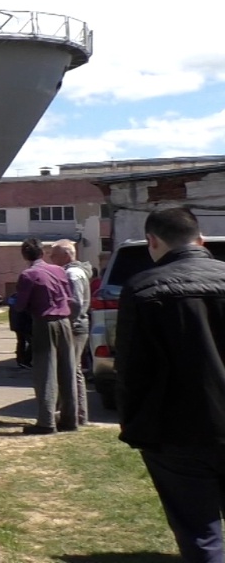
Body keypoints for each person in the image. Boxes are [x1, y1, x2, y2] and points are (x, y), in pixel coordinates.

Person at [116, 205, 225, 561]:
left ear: (152, 241)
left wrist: (133, 424)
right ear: (201, 240)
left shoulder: (142, 288)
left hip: (177, 429)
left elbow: (132, 368)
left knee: (199, 532)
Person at [14, 238, 79, 435]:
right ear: (42, 253)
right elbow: (69, 297)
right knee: (67, 371)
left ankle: (46, 421)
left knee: (45, 372)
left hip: (44, 322)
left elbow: (20, 305)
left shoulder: (28, 275)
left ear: (25, 255)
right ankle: (70, 419)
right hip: (65, 321)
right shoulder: (59, 270)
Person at [51, 239, 92, 427]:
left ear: (66, 255)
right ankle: (79, 414)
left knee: (69, 371)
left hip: (74, 327)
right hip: (80, 325)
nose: (51, 259)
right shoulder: (77, 272)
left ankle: (71, 414)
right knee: (74, 371)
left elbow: (74, 302)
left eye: (54, 255)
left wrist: (66, 321)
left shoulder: (71, 274)